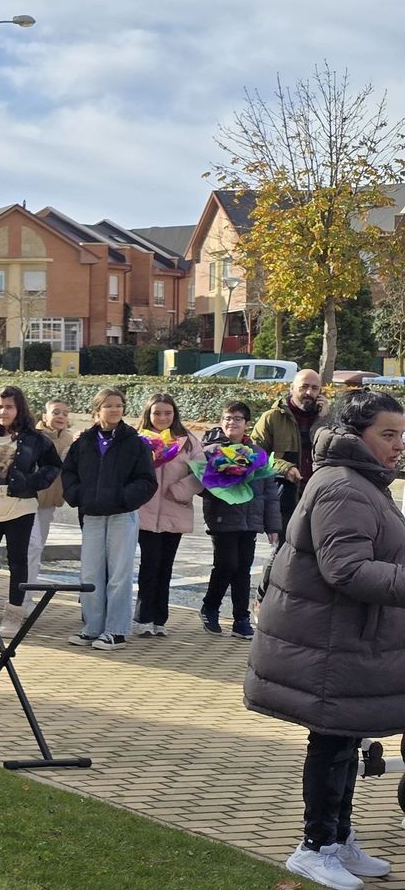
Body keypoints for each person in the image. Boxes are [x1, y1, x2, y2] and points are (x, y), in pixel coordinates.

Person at [245, 389, 404, 890]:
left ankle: (338, 839)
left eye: (402, 435)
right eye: (389, 434)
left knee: (345, 740)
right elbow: (347, 569)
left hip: (347, 641)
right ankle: (314, 847)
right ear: (357, 434)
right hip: (331, 644)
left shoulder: (361, 480)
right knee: (332, 743)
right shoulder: (344, 486)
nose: (399, 445)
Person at [0, 386, 63, 639]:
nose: (3, 411)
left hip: (21, 507)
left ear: (19, 409)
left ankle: (13, 615)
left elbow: (52, 466)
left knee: (18, 561)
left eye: (9, 407)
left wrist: (29, 483)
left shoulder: (35, 438)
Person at [61, 387, 157, 652]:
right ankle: (92, 627)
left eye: (119, 405)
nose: (114, 410)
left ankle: (116, 631)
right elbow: (68, 473)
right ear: (97, 410)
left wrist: (123, 498)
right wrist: (79, 496)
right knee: (90, 573)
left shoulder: (135, 442)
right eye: (108, 405)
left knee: (119, 575)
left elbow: (147, 481)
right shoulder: (83, 442)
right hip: (91, 516)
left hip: (122, 516)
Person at [200, 401, 280, 639]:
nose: (231, 423)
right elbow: (203, 485)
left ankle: (241, 619)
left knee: (243, 569)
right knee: (227, 565)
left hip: (250, 520)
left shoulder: (257, 453)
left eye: (237, 419)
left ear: (247, 424)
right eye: (227, 418)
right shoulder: (212, 451)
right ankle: (210, 606)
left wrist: (272, 526)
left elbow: (269, 491)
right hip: (222, 517)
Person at [134, 393, 204, 639]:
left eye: (168, 413)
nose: (162, 417)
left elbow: (201, 472)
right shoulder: (139, 438)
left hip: (176, 511)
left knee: (165, 567)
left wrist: (180, 490)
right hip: (145, 512)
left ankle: (160, 619)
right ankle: (143, 617)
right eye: (157, 413)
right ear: (148, 414)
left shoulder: (188, 441)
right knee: (149, 564)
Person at [253, 368, 325, 548]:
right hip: (285, 497)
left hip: (320, 497)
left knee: (316, 552)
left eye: (315, 388)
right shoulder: (273, 417)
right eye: (304, 387)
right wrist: (283, 467)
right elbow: (254, 456)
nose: (309, 393)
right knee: (283, 552)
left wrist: (325, 419)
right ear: (292, 388)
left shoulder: (327, 418)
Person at [26, 399, 74, 584]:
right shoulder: (34, 437)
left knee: (38, 548)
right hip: (29, 500)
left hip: (50, 503)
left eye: (64, 413)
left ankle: (28, 590)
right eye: (56, 412)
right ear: (45, 416)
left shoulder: (70, 439)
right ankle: (22, 597)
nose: (60, 416)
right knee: (33, 545)